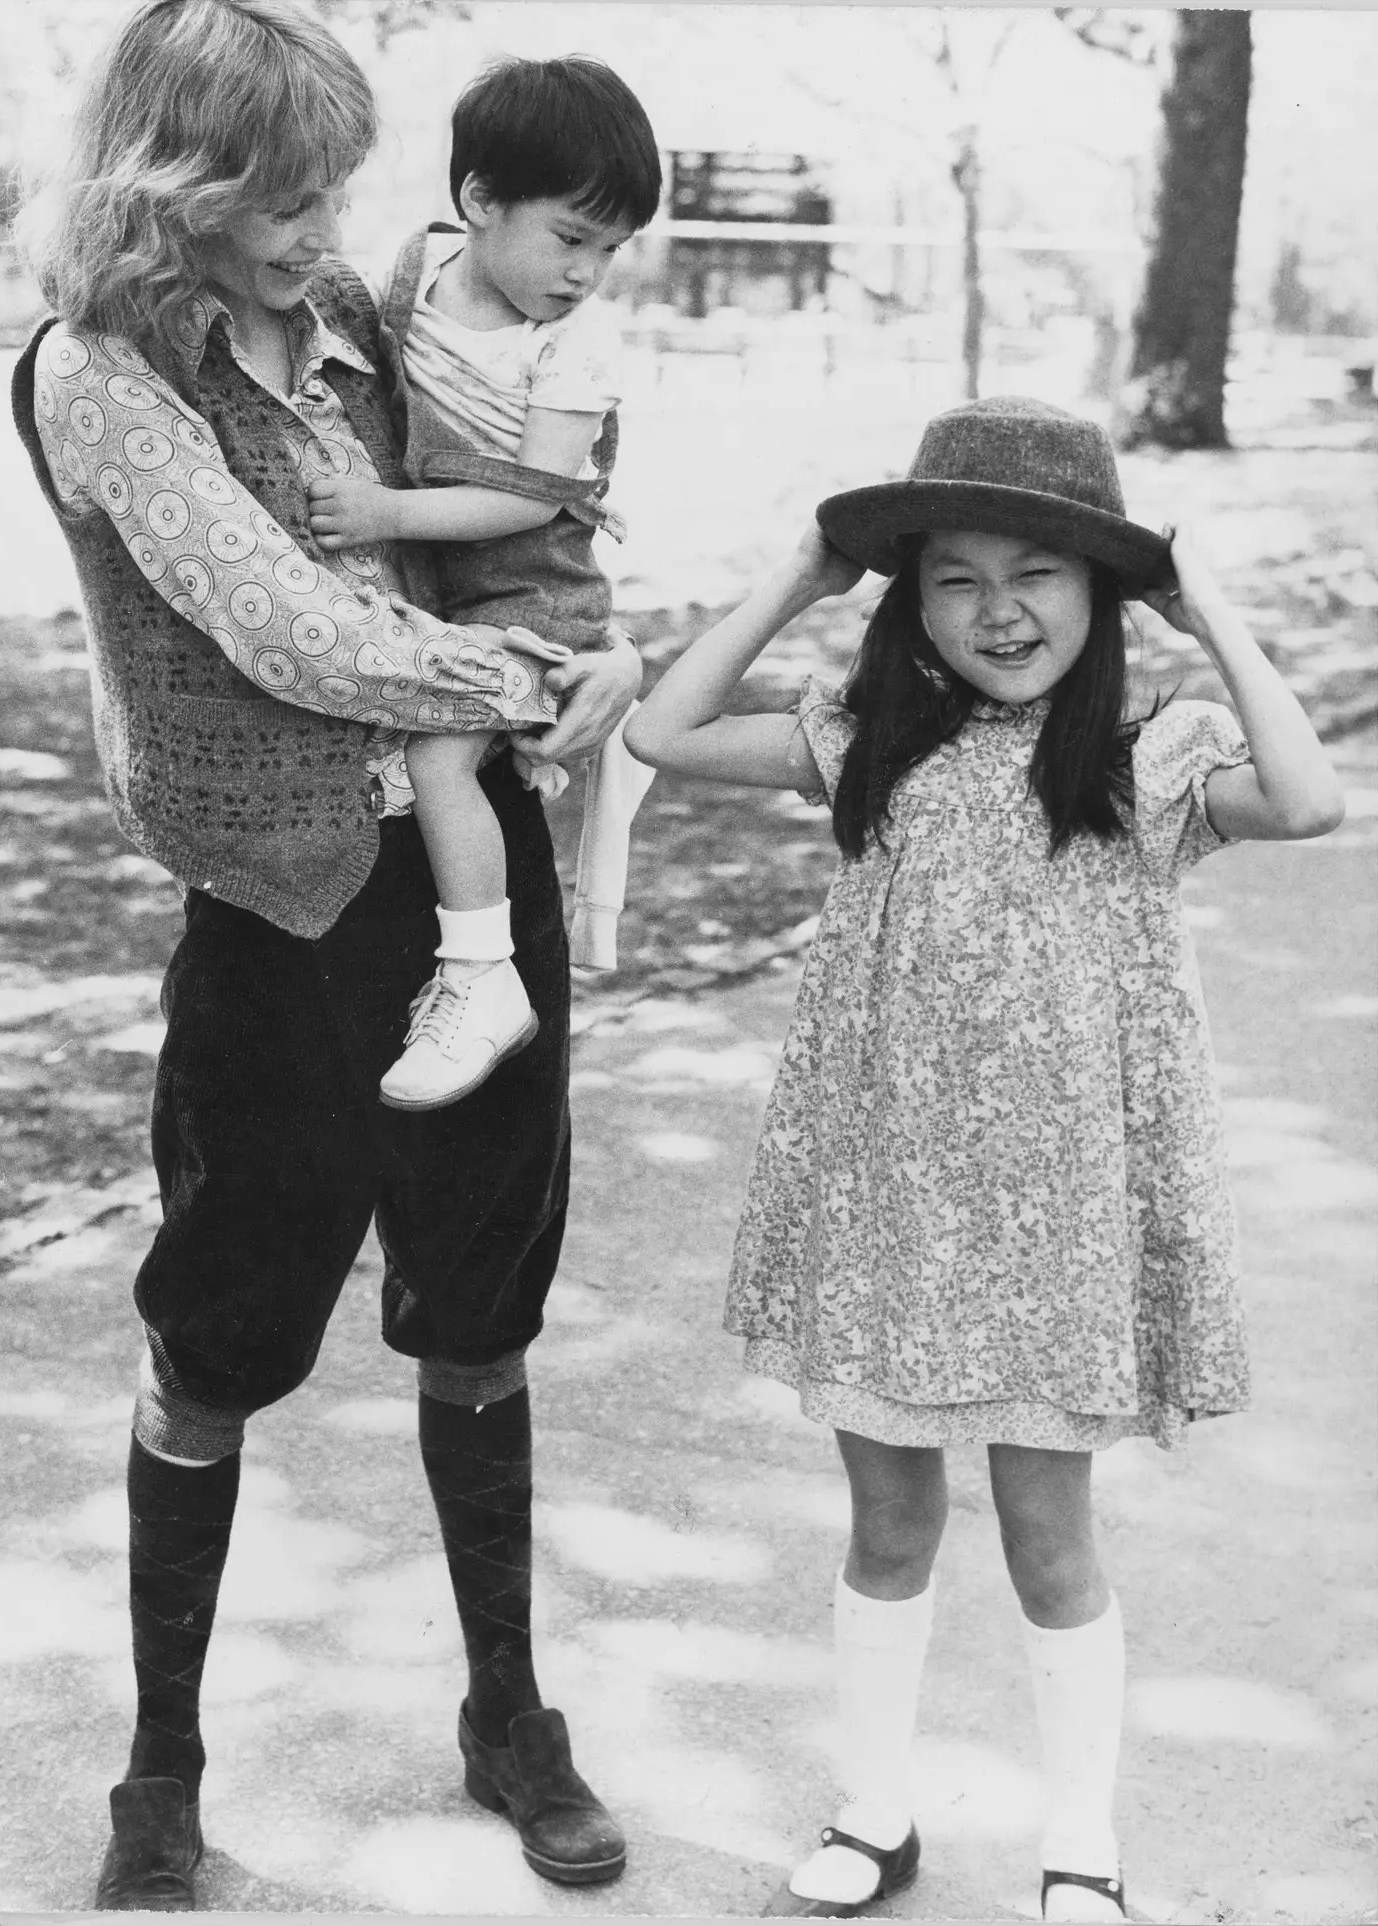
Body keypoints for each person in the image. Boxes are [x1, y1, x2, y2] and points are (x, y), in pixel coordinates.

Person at [11, 0, 640, 1908]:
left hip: (468, 880)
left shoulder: (373, 323)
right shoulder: (101, 373)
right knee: (219, 1328)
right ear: (172, 182)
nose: (316, 232)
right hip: (279, 913)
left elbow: (517, 517)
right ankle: (162, 1766)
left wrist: (597, 648)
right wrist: (520, 683)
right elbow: (283, 625)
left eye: (329, 194)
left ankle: (506, 1717)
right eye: (281, 200)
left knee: (482, 1301)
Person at [624, 396, 1344, 1922]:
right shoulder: (873, 740)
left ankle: (1080, 1843)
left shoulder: (1150, 762)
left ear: (1104, 596)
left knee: (1044, 1531)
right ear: (911, 600)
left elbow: (1312, 796)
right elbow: (661, 729)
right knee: (887, 1521)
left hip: (1058, 1215)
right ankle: (874, 1813)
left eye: (1042, 573)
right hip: (885, 1190)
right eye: (954, 575)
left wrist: (1206, 601)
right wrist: (800, 574)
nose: (998, 609)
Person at [304, 56, 661, 1110]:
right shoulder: (407, 278)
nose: (586, 272)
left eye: (611, 249)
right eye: (571, 237)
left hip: (528, 593)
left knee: (439, 759)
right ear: (479, 202)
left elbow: (537, 494)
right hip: (428, 585)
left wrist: (386, 515)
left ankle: (481, 976)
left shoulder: (576, 341)